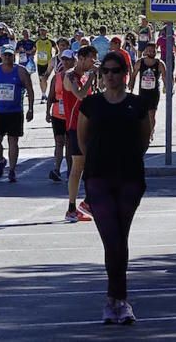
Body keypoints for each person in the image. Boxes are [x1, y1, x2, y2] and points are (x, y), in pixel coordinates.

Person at [77, 51, 150, 324]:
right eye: (106, 71)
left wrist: (126, 157)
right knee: (111, 238)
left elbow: (144, 140)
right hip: (98, 177)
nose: (110, 75)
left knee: (121, 237)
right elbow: (83, 140)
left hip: (130, 177)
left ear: (125, 73)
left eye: (116, 70)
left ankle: (119, 300)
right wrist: (97, 160)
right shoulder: (91, 104)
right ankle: (115, 299)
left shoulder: (137, 104)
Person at [0, 45, 35, 183]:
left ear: (14, 56)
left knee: (13, 141)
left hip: (15, 112)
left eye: (10, 55)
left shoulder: (21, 71)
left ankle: (12, 170)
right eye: (5, 55)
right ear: (1, 56)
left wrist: (30, 109)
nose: (7, 57)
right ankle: (1, 160)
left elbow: (29, 89)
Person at [64, 46, 99, 222]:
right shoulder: (70, 75)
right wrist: (91, 77)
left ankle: (85, 203)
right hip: (75, 127)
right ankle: (74, 207)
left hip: (88, 126)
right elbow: (79, 95)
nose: (94, 62)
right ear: (82, 58)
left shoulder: (85, 76)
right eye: (92, 59)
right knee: (78, 166)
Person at [46, 49, 75, 182]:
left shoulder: (76, 76)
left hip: (71, 115)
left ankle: (70, 170)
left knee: (69, 144)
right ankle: (57, 169)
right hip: (58, 113)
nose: (65, 62)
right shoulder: (56, 77)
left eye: (68, 59)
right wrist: (47, 112)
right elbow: (51, 96)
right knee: (59, 142)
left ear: (73, 61)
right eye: (63, 59)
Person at [130, 42, 165, 142]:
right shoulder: (140, 62)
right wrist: (131, 84)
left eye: (153, 51)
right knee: (142, 114)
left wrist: (166, 87)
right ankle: (144, 131)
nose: (151, 52)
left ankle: (150, 133)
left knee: (151, 114)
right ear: (145, 51)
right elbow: (134, 74)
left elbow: (165, 76)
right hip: (143, 92)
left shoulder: (159, 63)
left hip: (154, 92)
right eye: (149, 50)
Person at [34, 27, 56, 102]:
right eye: (41, 31)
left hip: (48, 63)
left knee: (45, 79)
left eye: (44, 31)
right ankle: (43, 94)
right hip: (40, 63)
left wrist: (54, 59)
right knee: (41, 79)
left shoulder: (51, 41)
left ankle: (45, 94)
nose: (42, 32)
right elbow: (33, 51)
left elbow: (57, 50)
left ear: (47, 32)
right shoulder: (37, 41)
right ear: (39, 32)